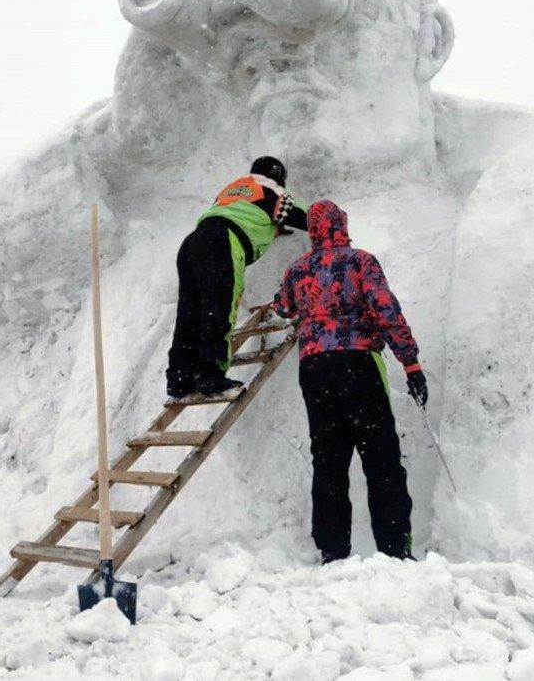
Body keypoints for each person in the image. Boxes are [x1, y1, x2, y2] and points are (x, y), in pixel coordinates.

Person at [273, 199, 426, 562]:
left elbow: (283, 307)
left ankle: (332, 549)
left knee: (328, 458)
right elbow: (385, 309)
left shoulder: (297, 270)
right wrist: (411, 363)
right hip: (357, 361)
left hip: (313, 367)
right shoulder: (359, 261)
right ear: (341, 224)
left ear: (311, 230)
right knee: (380, 455)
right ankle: (393, 548)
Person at [165, 155, 308, 398]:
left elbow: (247, 211)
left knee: (190, 313)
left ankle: (180, 378)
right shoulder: (272, 189)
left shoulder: (233, 189)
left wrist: (275, 227)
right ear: (278, 174)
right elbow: (306, 216)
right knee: (219, 308)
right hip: (223, 243)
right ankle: (211, 375)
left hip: (192, 243)